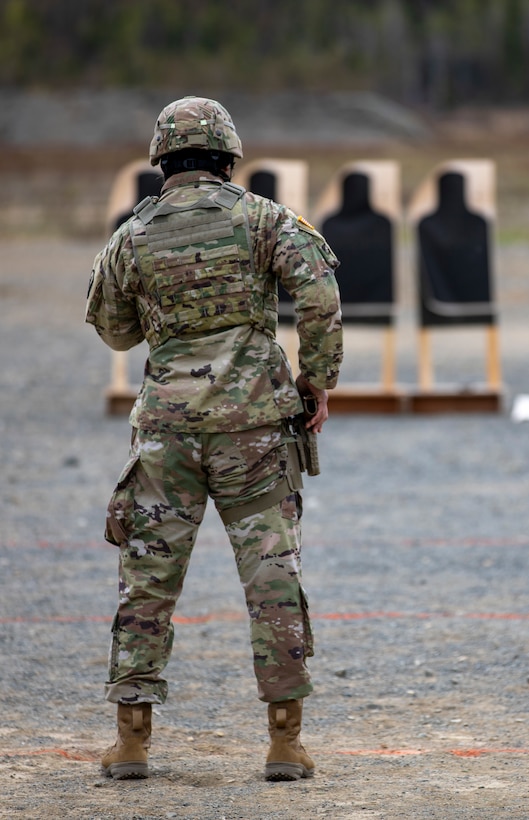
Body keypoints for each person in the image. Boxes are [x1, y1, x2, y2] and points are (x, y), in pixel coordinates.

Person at [85, 96, 343, 782]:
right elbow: (318, 292)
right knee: (271, 577)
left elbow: (114, 330)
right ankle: (285, 742)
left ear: (160, 162)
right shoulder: (264, 219)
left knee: (147, 578)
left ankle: (133, 740)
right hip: (254, 430)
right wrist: (317, 381)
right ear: (230, 156)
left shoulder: (131, 235)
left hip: (167, 435)